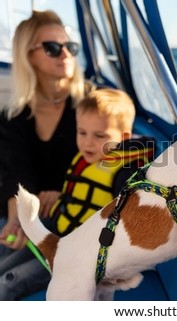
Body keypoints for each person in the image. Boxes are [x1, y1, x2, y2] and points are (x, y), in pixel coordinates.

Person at [0, 88, 155, 300]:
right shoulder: (87, 160)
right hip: (61, 234)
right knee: (4, 267)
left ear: (124, 137)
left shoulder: (125, 173)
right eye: (82, 132)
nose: (88, 142)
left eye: (99, 135)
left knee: (10, 282)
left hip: (79, 258)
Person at [0, 10, 89, 256]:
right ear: (28, 55)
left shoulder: (93, 105)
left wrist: (65, 194)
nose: (65, 54)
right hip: (31, 211)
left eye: (70, 47)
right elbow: (15, 172)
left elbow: (107, 165)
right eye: (52, 47)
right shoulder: (13, 116)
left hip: (78, 214)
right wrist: (17, 220)